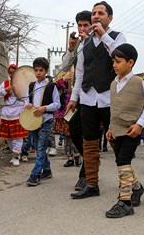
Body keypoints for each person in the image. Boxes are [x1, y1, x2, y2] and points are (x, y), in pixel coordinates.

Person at [67, 1, 127, 199]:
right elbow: (80, 73)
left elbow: (121, 58)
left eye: (101, 13)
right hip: (88, 98)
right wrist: (74, 98)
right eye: (94, 13)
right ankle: (91, 184)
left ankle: (129, 185)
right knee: (89, 142)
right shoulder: (85, 43)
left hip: (110, 98)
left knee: (117, 141)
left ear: (110, 17)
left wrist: (104, 35)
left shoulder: (117, 37)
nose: (95, 16)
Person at [105, 43, 144, 218]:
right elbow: (114, 108)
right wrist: (110, 127)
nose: (114, 65)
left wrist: (139, 124)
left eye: (118, 61)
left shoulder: (139, 82)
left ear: (130, 62)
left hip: (132, 131)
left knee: (122, 161)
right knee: (123, 163)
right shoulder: (113, 84)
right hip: (116, 130)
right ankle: (137, 188)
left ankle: (125, 202)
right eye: (113, 62)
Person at [62, 10, 92, 191]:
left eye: (85, 25)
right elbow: (65, 66)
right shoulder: (79, 45)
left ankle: (86, 172)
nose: (82, 28)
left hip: (95, 96)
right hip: (78, 95)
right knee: (73, 129)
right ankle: (90, 161)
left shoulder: (97, 42)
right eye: (79, 25)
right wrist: (71, 48)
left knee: (90, 135)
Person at [25, 57, 60, 186]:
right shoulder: (31, 85)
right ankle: (47, 170)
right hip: (33, 121)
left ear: (46, 71)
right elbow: (26, 100)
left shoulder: (51, 86)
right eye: (36, 70)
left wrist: (45, 108)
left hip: (46, 120)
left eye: (41, 70)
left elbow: (57, 104)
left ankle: (35, 174)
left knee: (41, 147)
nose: (38, 73)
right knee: (36, 144)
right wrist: (27, 104)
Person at [0, 64, 28, 167]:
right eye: (10, 72)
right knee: (8, 137)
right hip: (7, 112)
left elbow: (27, 97)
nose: (12, 74)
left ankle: (16, 155)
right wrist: (6, 90)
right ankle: (14, 153)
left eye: (14, 72)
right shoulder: (5, 83)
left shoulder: (23, 84)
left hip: (18, 111)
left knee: (17, 136)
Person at [53, 70, 81, 167]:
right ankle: (70, 157)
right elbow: (54, 85)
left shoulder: (74, 87)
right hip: (62, 114)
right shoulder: (59, 89)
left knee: (74, 135)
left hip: (73, 113)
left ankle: (77, 155)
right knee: (67, 136)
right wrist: (63, 79)